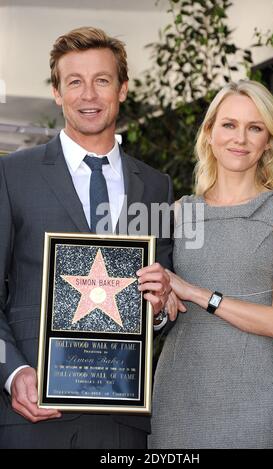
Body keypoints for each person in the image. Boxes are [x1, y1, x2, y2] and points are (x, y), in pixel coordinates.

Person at [0, 26, 173, 449]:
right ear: (58, 93)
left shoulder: (155, 186)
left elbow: (165, 302)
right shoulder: (11, 175)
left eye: (102, 80)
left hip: (121, 419)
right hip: (32, 410)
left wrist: (159, 308)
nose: (89, 95)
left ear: (123, 89)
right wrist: (12, 372)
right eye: (74, 82)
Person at [148, 80, 273, 449]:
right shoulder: (176, 213)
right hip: (177, 400)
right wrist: (157, 304)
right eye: (229, 125)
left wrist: (197, 293)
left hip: (254, 406)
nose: (241, 139)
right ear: (210, 133)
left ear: (269, 141)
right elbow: (159, 313)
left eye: (255, 127)